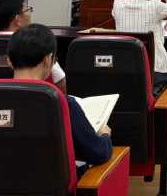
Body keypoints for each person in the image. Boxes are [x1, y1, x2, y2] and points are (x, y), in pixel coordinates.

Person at [8, 24, 112, 176]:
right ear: (48, 60)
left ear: (9, 61)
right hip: (50, 183)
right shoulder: (62, 103)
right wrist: (105, 136)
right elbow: (98, 153)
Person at [112, 0, 167, 96]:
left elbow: (122, 2)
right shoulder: (155, 5)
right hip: (156, 70)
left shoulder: (117, 4)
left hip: (124, 68)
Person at [0, 0, 66, 93]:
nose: (30, 13)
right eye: (28, 9)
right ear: (17, 19)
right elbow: (60, 80)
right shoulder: (37, 43)